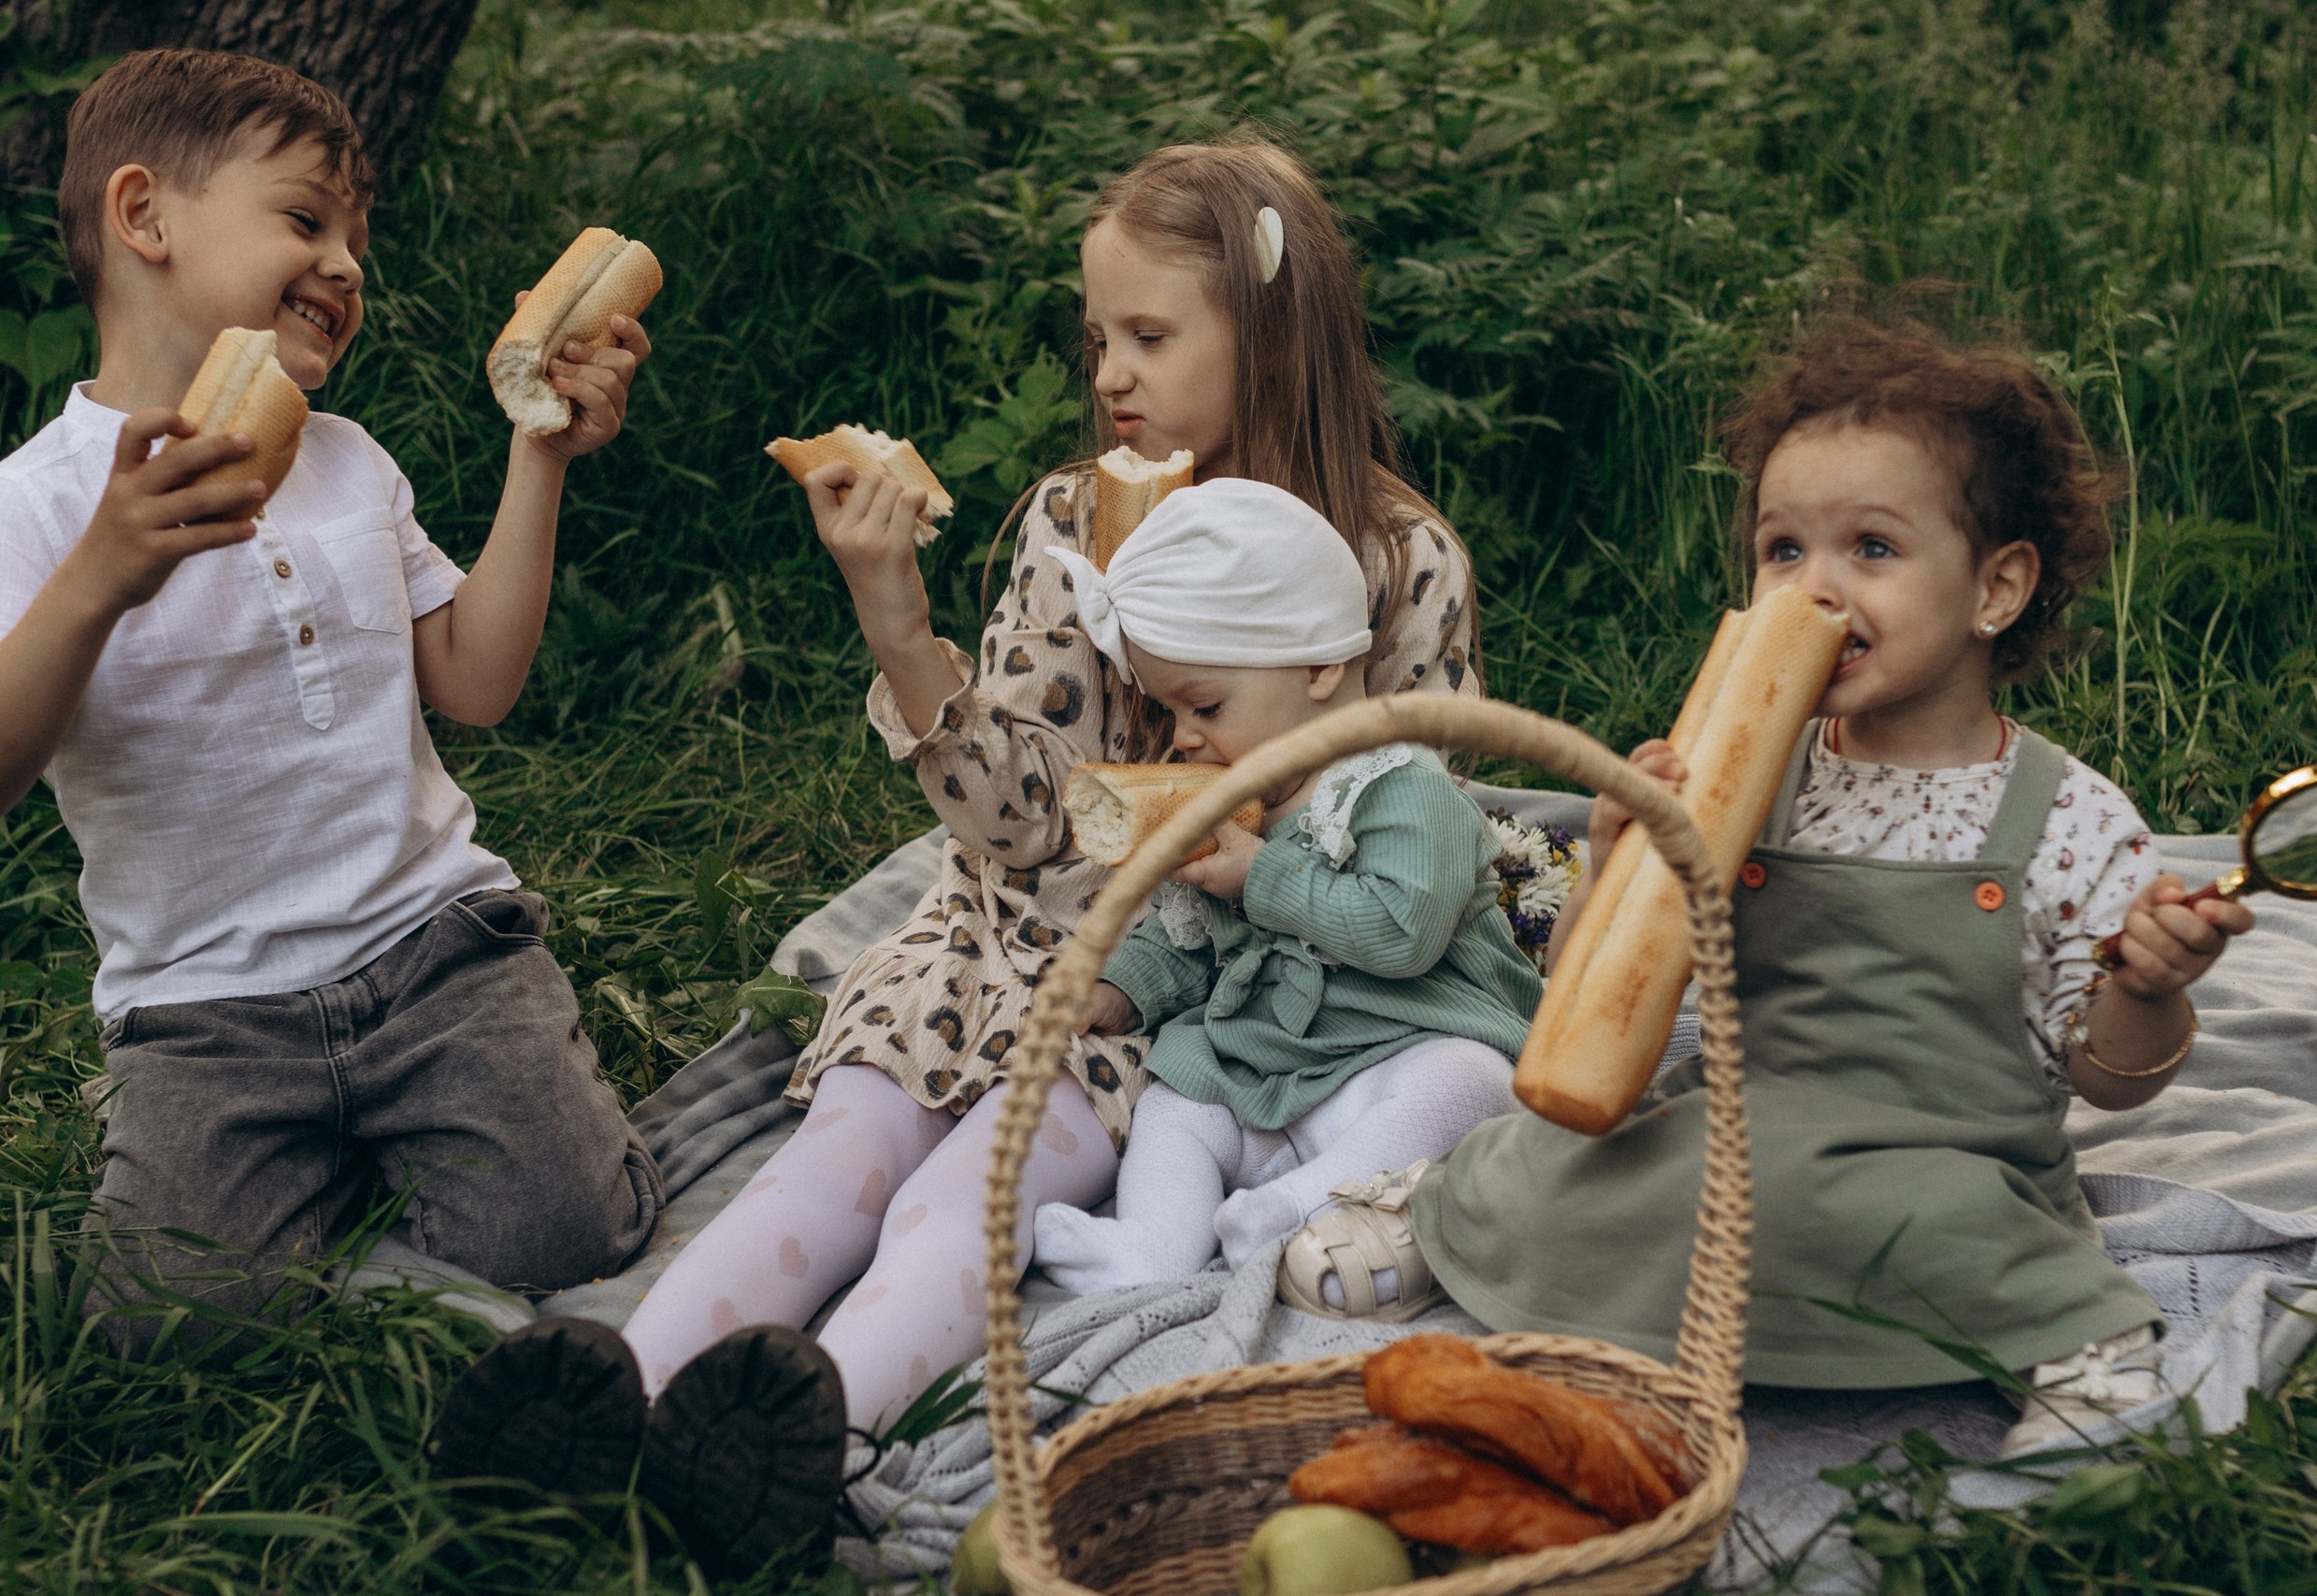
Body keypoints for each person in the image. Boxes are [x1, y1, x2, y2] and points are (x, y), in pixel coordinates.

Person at [430, 138, 1486, 1574]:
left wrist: (1214, 838)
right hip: (990, 928)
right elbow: (1016, 825)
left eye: (1152, 336)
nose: (1110, 371)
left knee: (965, 1187)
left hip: (1171, 987)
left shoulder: (1400, 564)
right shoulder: (1070, 525)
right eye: (1097, 336)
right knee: (836, 1154)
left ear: (1274, 336)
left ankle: (803, 1436)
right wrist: (893, 614)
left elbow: (1408, 834)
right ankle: (607, 1394)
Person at [1289, 319, 2256, 1461]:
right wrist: (1617, 862)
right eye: (1784, 550)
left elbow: (2110, 1078)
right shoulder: (1745, 768)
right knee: (1593, 1164)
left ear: (1995, 587)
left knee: (1952, 1232)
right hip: (1741, 1120)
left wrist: (2149, 987)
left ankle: (2069, 1336)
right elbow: (1606, 1027)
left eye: (1873, 550)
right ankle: (1457, 1212)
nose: (1817, 588)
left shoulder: (2067, 817)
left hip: (1943, 1153)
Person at [0, 54, 659, 1326]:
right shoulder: (34, 505)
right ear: (145, 218)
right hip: (205, 1010)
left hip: (434, 954)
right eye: (306, 220)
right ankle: (320, 1181)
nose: (349, 264)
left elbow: (474, 679)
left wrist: (541, 456)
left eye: (357, 237)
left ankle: (386, 1168)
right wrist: (101, 577)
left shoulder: (351, 461)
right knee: (158, 1324)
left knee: (572, 1225)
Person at [1022, 477, 1540, 1295]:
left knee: (1474, 1083)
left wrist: (1261, 874)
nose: (1186, 738)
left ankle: (1299, 1209)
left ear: (1323, 668)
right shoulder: (1238, 800)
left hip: (1396, 1057)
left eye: (1207, 706)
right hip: (1269, 1074)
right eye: (1170, 713)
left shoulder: (1406, 787)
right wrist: (1121, 989)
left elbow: (1402, 934)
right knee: (1179, 1095)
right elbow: (1187, 931)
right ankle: (1154, 1245)